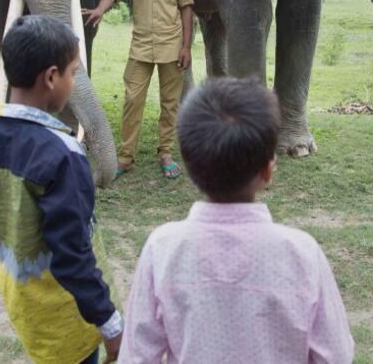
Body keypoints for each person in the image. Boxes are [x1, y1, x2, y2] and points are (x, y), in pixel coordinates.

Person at [119, 77, 354, 362]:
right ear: (268, 171)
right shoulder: (302, 253)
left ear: (189, 168)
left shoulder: (163, 249)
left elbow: (137, 356)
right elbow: (335, 355)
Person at [0, 15, 122, 364]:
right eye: (73, 73)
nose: (73, 81)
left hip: (25, 306)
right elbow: (72, 252)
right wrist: (111, 325)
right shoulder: (63, 154)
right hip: (69, 314)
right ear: (52, 78)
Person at [83, 0, 193, 179]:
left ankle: (165, 152)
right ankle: (125, 158)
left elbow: (186, 6)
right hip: (141, 46)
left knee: (170, 103)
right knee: (133, 101)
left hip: (171, 44)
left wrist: (187, 46)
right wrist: (99, 10)